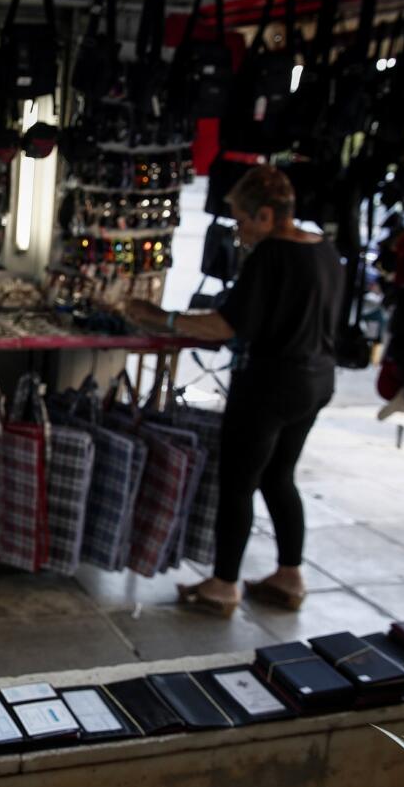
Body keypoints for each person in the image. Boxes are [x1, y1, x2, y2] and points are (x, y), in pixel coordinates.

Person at [122, 165, 343, 617]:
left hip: (271, 383)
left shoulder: (271, 254)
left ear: (266, 214)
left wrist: (159, 317)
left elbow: (226, 325)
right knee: (280, 476)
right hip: (316, 378)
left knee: (238, 484)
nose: (238, 231)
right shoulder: (323, 249)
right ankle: (290, 575)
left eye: (242, 220)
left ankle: (224, 585)